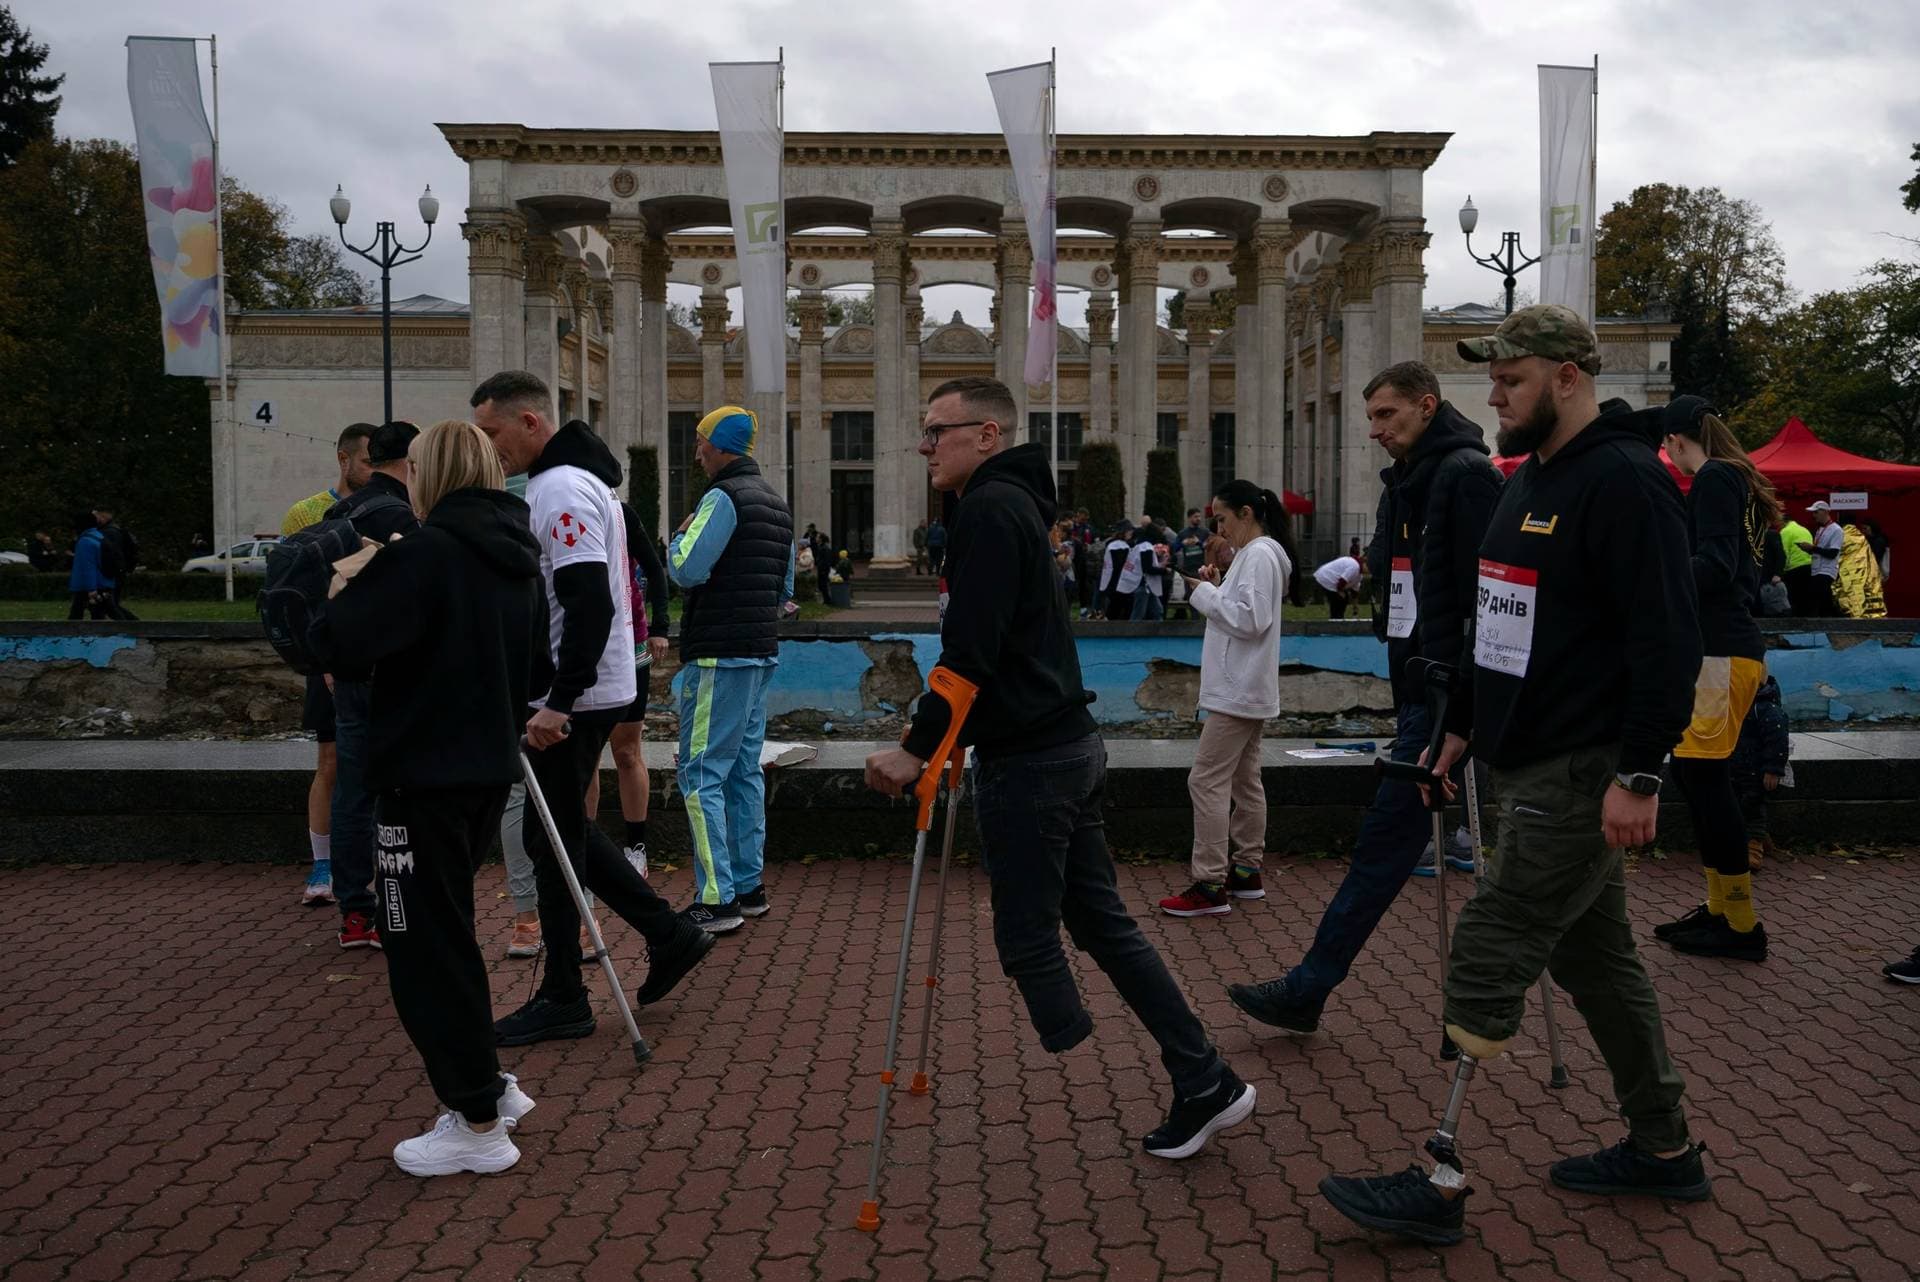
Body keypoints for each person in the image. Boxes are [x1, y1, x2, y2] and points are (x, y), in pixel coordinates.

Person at [1319, 304, 1710, 1244]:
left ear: (1569, 377)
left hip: (1581, 771)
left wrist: (1642, 775)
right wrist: (1459, 730)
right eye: (1491, 380)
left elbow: (1668, 640)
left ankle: (1440, 1175)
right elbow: (1503, 631)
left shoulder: (1623, 480)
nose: (1492, 395)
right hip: (1522, 754)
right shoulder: (1528, 477)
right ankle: (1665, 1149)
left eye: (1512, 379)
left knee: (1494, 943)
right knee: (1595, 960)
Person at [865, 375, 1255, 1160]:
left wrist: (917, 746)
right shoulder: (1013, 507)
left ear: (987, 436)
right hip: (1066, 744)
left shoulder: (986, 510)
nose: (923, 445)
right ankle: (1205, 1078)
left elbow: (968, 650)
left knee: (1027, 934)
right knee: (1102, 924)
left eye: (937, 430)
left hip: (1032, 760)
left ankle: (1070, 1034)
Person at [305, 418, 548, 1177]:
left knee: (419, 948)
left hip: (423, 779)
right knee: (446, 936)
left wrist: (348, 576)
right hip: (481, 772)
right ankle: (487, 1086)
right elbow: (536, 665)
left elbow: (334, 641)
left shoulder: (427, 554)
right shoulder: (517, 556)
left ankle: (475, 1120)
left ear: (427, 476)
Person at [1227, 361, 1501, 1029]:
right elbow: (1400, 565)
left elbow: (1483, 596)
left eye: (1388, 415)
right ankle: (1314, 989)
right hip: (1416, 684)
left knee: (1384, 842)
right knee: (1391, 844)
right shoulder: (1402, 484)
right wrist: (1361, 572)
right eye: (1370, 417)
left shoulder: (1465, 477)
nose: (1375, 430)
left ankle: (1311, 987)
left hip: (1445, 697)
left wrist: (1459, 707)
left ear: (1427, 406)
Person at [471, 370, 715, 1046]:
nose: (490, 449)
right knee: (558, 832)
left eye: (493, 433)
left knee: (548, 837)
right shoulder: (572, 482)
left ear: (530, 422)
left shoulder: (559, 489)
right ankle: (667, 935)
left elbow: (589, 601)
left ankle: (565, 996)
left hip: (574, 695)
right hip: (586, 689)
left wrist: (559, 701)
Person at [1653, 397, 1777, 962]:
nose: (1670, 458)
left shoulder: (1714, 478)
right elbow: (1753, 568)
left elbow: (1718, 567)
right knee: (1701, 780)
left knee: (1704, 782)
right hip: (1727, 651)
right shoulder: (1739, 480)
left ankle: (1741, 924)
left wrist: (1655, 584)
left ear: (1678, 440)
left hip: (1720, 653)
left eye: (1668, 449)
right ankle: (1723, 909)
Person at [668, 405, 796, 933]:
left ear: (718, 445)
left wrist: (677, 539)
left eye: (700, 441)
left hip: (719, 652)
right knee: (743, 771)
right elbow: (785, 592)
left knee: (699, 774)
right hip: (760, 648)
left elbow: (686, 568)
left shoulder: (722, 498)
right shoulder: (775, 502)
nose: (697, 451)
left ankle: (716, 899)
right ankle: (748, 887)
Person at [1158, 480, 1299, 918]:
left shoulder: (1258, 555)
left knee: (1205, 779)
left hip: (1238, 690)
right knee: (1244, 778)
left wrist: (1202, 594)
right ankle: (1245, 871)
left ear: (1246, 514)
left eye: (1222, 518)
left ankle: (1209, 883)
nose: (1218, 528)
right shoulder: (1263, 555)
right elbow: (1249, 611)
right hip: (1248, 687)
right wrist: (1217, 586)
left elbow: (1250, 620)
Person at [323, 421, 424, 950]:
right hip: (393, 672)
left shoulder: (339, 513)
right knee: (398, 792)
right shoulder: (403, 518)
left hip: (345, 670)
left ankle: (354, 911)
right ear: (411, 462)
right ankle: (395, 903)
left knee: (352, 789)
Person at [285, 421, 375, 906]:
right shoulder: (307, 513)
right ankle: (322, 865)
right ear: (344, 460)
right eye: (366, 461)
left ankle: (369, 867)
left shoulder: (386, 509)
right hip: (327, 659)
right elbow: (296, 595)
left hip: (368, 661)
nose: (373, 470)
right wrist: (318, 657)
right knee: (331, 760)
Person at [1729, 674, 1789, 867]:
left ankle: (1754, 845)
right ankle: (1757, 839)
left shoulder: (1765, 710)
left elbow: (1777, 741)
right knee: (1736, 806)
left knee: (1753, 807)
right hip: (1733, 768)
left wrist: (1773, 769)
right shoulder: (1733, 705)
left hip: (1756, 771)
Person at [91, 507, 138, 620]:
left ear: (102, 517)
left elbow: (112, 555)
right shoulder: (114, 530)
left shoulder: (108, 532)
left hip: (113, 574)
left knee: (110, 605)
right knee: (108, 605)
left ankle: (133, 625)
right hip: (117, 572)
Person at [1798, 501, 1843, 615]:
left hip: (1826, 571)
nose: (1814, 515)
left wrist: (1812, 548)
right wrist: (1808, 549)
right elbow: (1820, 550)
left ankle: (1831, 623)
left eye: (1816, 512)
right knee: (1821, 601)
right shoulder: (1820, 530)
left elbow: (1833, 553)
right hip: (1817, 569)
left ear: (1825, 512)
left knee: (1820, 601)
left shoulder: (1837, 530)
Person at [66, 514, 114, 620]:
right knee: (104, 611)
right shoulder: (98, 536)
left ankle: (71, 633)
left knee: (77, 613)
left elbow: (88, 566)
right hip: (103, 581)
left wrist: (91, 588)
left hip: (87, 585)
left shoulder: (85, 541)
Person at [1776, 512, 1814, 615]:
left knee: (1794, 598)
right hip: (1809, 566)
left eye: (1778, 522)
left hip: (1794, 568)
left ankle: (1795, 622)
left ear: (1783, 521)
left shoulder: (1786, 531)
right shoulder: (1804, 530)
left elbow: (1784, 552)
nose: (1777, 524)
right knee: (1805, 597)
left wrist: (1780, 572)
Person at [1124, 528, 1165, 621]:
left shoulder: (1138, 547)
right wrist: (1164, 570)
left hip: (1145, 585)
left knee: (1157, 610)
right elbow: (1147, 568)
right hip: (1144, 585)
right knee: (1140, 613)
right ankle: (1133, 632)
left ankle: (1157, 630)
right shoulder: (1146, 548)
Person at [1095, 523, 1133, 620]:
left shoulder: (1111, 545)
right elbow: (1119, 566)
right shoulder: (1122, 547)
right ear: (1123, 532)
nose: (1131, 533)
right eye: (1129, 531)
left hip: (1112, 582)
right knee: (1118, 609)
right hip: (1119, 582)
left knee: (1114, 608)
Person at [1313, 552, 1363, 618]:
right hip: (1326, 578)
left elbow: (1354, 593)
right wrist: (1340, 591)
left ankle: (1338, 618)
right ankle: (1336, 619)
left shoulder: (1359, 576)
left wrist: (1355, 609)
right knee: (1339, 599)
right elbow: (1341, 582)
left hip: (1330, 579)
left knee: (1343, 598)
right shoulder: (1355, 566)